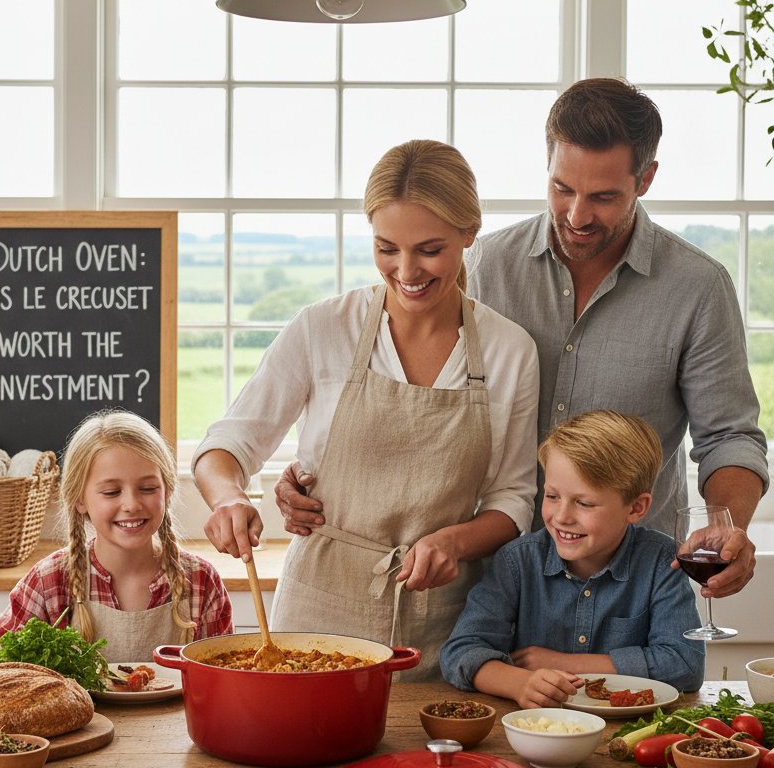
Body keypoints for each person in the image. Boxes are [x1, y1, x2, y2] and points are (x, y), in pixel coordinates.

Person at [276, 78, 768, 599]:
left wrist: (727, 525)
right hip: (490, 584)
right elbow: (409, 404)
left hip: (628, 586)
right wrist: (317, 475)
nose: (577, 215)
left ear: (645, 179)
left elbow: (729, 435)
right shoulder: (485, 265)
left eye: (603, 197)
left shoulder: (697, 288)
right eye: (562, 188)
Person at [192, 140, 540, 680]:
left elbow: (513, 498)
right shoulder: (324, 328)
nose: (406, 271)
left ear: (469, 234)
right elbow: (227, 446)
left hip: (444, 625)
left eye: (430, 249)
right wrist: (229, 498)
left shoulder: (508, 350)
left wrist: (453, 541)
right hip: (316, 611)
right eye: (386, 248)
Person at [440, 410, 705, 708]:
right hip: (535, 730)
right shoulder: (518, 561)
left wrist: (564, 662)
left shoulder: (662, 563)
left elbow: (685, 664)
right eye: (552, 497)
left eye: (584, 503)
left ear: (635, 508)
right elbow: (460, 652)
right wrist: (518, 683)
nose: (562, 517)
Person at [0, 410, 232, 665]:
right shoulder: (51, 581)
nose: (131, 504)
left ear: (168, 490)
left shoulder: (201, 580)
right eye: (111, 492)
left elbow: (226, 678)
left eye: (148, 488)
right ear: (80, 499)